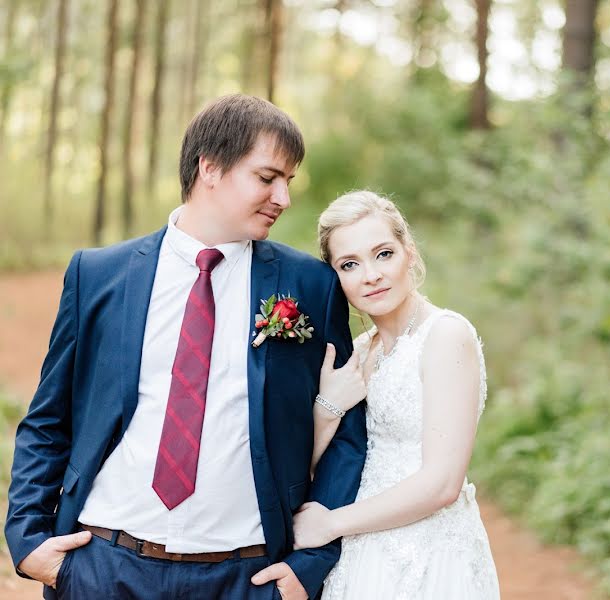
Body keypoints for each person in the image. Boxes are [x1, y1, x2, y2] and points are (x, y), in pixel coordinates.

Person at [5, 94, 367, 600]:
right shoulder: (98, 275)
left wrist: (310, 563)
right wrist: (28, 542)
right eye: (267, 178)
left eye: (288, 181)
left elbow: (348, 431)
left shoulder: (310, 286)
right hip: (102, 568)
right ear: (211, 167)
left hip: (248, 577)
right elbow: (49, 419)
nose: (283, 197)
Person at [293, 190, 501, 599]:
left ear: (409, 253)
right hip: (361, 553)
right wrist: (327, 408)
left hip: (431, 552)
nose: (370, 274)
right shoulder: (358, 351)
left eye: (383, 254)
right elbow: (314, 465)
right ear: (336, 278)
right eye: (350, 264)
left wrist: (332, 524)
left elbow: (443, 483)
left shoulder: (445, 336)